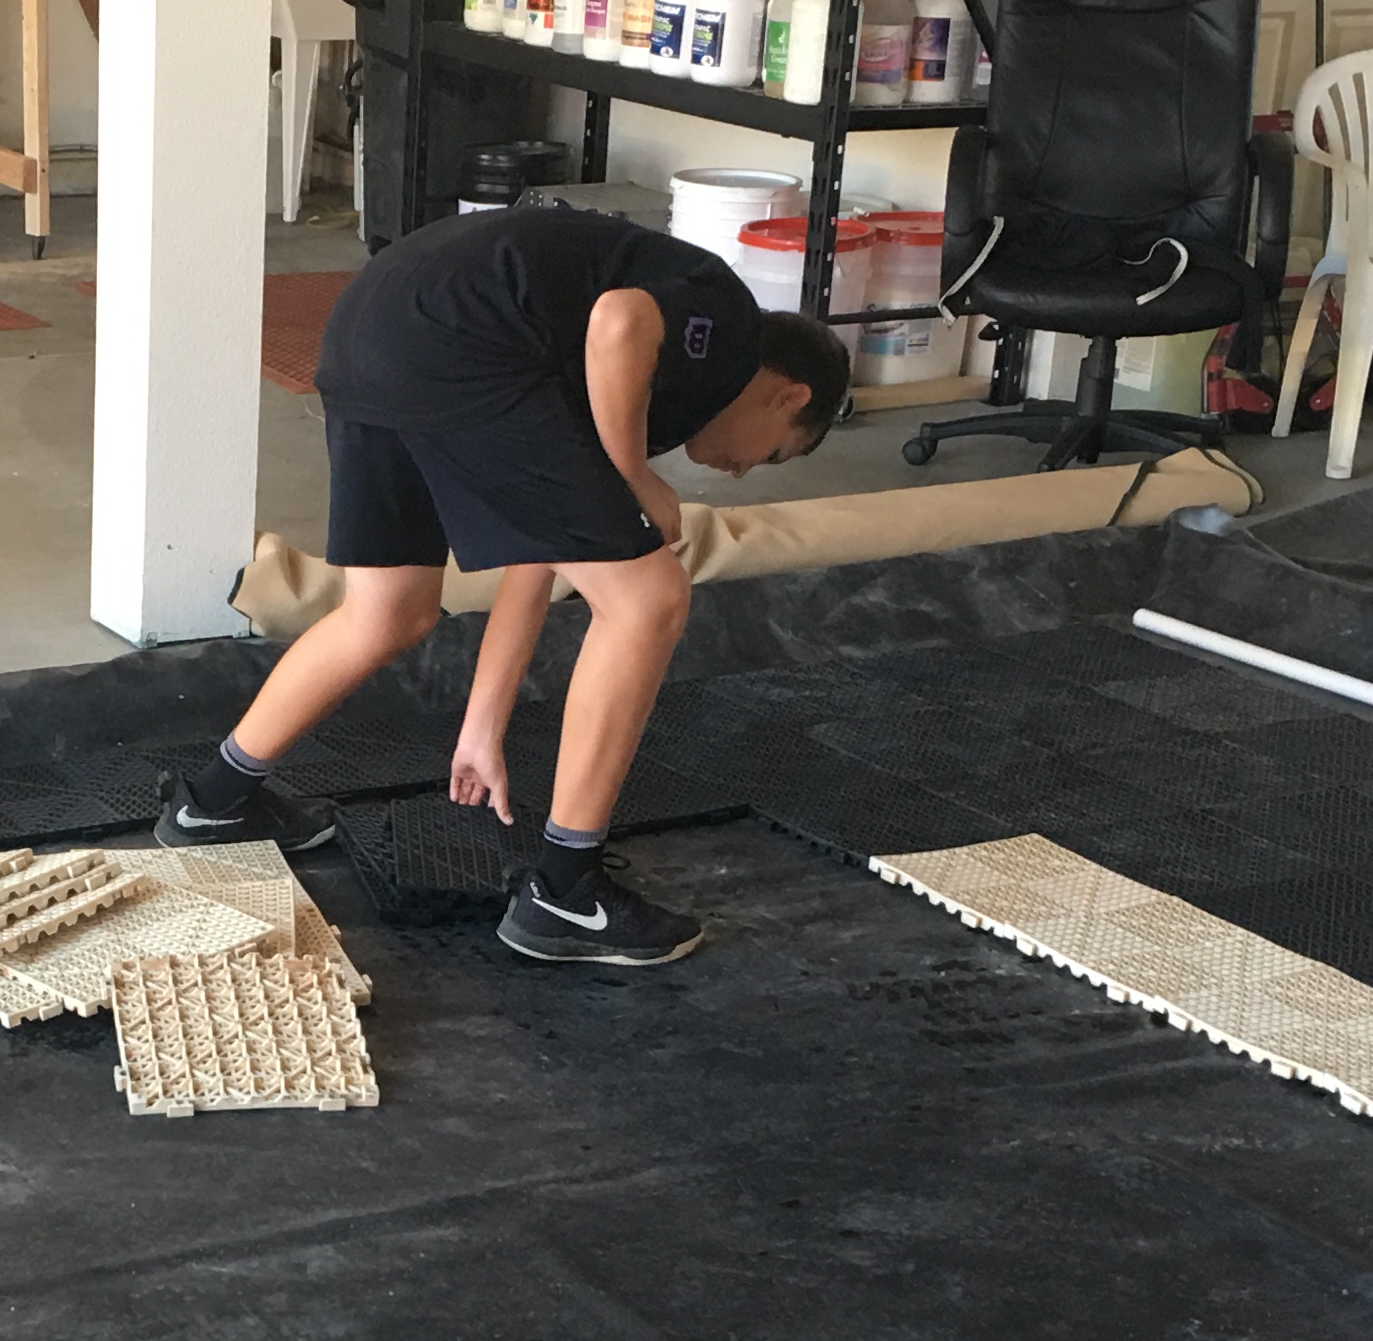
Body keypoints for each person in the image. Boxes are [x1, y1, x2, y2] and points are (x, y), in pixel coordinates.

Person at [158, 202, 852, 966]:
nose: (745, 471)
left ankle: (214, 800)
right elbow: (620, 321)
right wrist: (630, 477)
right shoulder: (728, 327)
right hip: (458, 340)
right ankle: (566, 890)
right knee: (650, 598)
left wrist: (482, 725)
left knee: (388, 611)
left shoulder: (632, 389)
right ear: (789, 397)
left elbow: (544, 543)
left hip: (369, 330)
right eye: (774, 454)